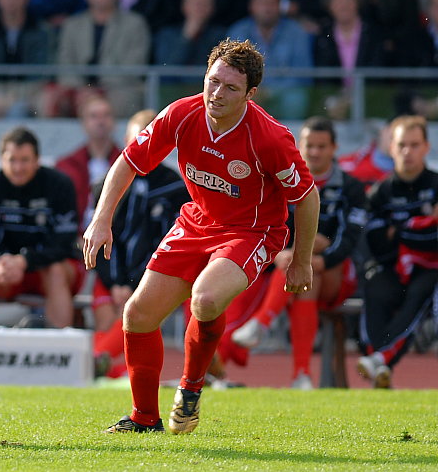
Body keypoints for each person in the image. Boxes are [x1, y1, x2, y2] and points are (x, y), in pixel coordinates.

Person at [83, 38, 319, 434]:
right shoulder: (182, 113)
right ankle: (144, 419)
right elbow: (127, 161)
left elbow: (307, 197)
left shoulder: (270, 137)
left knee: (205, 299)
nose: (216, 93)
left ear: (251, 93)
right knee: (137, 315)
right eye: (213, 81)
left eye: (230, 87)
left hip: (252, 231)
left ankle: (191, 388)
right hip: (196, 223)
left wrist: (302, 259)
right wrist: (101, 218)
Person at [231, 117, 366, 389]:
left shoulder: (351, 187)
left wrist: (320, 255)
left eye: (321, 146)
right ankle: (301, 375)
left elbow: (351, 238)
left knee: (306, 264)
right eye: (309, 145)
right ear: (299, 147)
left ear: (334, 148)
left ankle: (263, 323)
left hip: (337, 273)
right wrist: (282, 253)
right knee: (302, 273)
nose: (314, 152)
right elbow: (271, 225)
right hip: (294, 272)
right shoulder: (283, 181)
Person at [93, 109, 189, 378]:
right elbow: (98, 236)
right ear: (126, 140)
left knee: (141, 310)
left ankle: (98, 363)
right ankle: (101, 367)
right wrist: (116, 282)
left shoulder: (176, 188)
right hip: (112, 274)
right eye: (139, 140)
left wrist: (134, 283)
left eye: (153, 142)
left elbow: (171, 242)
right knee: (107, 312)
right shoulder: (107, 185)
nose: (146, 148)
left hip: (155, 275)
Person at [0, 126, 79, 348]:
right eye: (12, 160)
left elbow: (64, 243)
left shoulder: (60, 184)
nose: (18, 167)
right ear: (1, 159)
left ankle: (62, 351)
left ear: (37, 160)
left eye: (25, 160)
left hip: (52, 271)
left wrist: (26, 260)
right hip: (8, 274)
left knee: (54, 270)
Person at [358, 115, 438, 388]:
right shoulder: (380, 192)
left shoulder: (436, 185)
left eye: (415, 145)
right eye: (402, 144)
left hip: (431, 271)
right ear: (391, 148)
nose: (408, 151)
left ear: (426, 147)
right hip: (392, 268)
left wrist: (400, 230)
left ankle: (380, 361)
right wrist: (420, 226)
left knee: (420, 291)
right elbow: (377, 243)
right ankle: (379, 363)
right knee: (375, 286)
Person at [55, 0, 151, 117]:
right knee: (53, 98)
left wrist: (99, 90)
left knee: (124, 99)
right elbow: (64, 63)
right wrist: (82, 88)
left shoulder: (135, 24)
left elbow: (135, 65)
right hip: (79, 91)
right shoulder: (72, 25)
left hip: (118, 89)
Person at [227, 0, 313, 119]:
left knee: (295, 98)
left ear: (279, 6)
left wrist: (270, 92)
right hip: (250, 93)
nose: (267, 7)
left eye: (272, 2)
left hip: (284, 94)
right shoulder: (238, 31)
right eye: (262, 1)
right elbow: (231, 72)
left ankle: (291, 137)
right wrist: (253, 91)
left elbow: (303, 74)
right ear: (252, 5)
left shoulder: (297, 32)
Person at [55, 95, 122, 231]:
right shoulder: (65, 166)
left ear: (114, 121)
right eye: (94, 116)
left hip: (119, 242)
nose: (101, 121)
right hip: (75, 243)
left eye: (106, 115)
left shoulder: (130, 165)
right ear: (83, 123)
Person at [154, 0, 227, 70]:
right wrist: (186, 38)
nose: (199, 7)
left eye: (204, 3)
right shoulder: (166, 35)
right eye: (194, 2)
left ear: (212, 7)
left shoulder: (222, 36)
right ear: (184, 6)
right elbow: (164, 70)